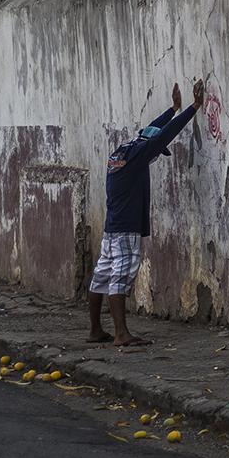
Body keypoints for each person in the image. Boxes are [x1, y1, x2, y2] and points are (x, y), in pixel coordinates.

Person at [86, 79, 204, 347]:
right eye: (154, 154)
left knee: (101, 276)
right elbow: (164, 135)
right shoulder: (139, 154)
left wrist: (172, 108)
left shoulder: (122, 152)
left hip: (111, 228)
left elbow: (152, 131)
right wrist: (193, 107)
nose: (153, 157)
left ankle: (95, 330)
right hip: (127, 229)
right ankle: (121, 333)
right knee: (120, 277)